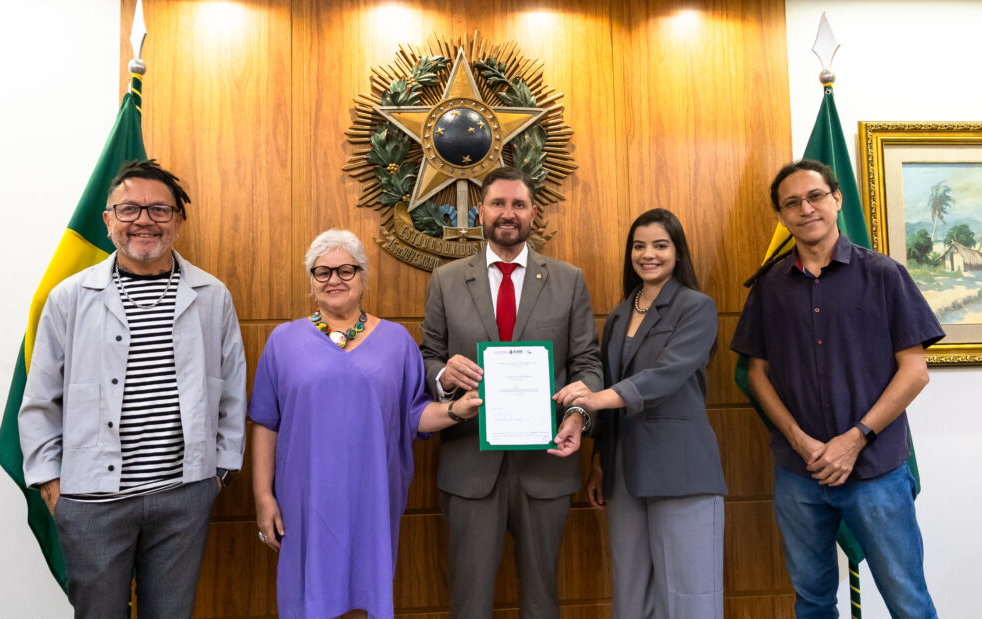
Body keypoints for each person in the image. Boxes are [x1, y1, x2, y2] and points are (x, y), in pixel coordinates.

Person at [18, 159, 246, 619]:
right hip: (91, 502)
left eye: (160, 209)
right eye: (128, 209)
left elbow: (232, 391)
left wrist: (217, 473)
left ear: (177, 220)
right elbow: (39, 399)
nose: (144, 220)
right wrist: (52, 486)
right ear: (108, 221)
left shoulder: (212, 295)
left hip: (183, 495)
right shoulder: (69, 298)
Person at [730, 159, 944, 618]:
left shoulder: (884, 275)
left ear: (836, 199)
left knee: (908, 602)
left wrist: (854, 439)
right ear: (782, 216)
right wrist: (799, 439)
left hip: (877, 472)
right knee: (811, 603)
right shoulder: (768, 287)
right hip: (798, 472)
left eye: (815, 196)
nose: (806, 208)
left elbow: (915, 371)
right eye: (792, 203)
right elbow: (755, 374)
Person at [249, 229, 483, 619]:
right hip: (305, 498)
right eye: (322, 272)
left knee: (364, 596)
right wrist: (262, 497)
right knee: (310, 598)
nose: (334, 279)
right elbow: (265, 423)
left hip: (372, 494)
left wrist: (458, 411)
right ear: (311, 280)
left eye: (346, 270)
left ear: (363, 277)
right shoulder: (282, 341)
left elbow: (414, 414)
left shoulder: (397, 340)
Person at [419, 166, 603, 619]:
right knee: (470, 599)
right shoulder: (445, 280)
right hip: (470, 463)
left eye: (518, 204)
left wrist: (578, 414)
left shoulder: (568, 279)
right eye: (498, 203)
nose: (508, 213)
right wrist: (446, 377)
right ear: (480, 211)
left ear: (533, 213)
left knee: (543, 599)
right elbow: (427, 358)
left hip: (547, 463)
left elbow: (587, 364)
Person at [553, 208, 726, 619]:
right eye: (639, 246)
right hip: (624, 473)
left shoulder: (696, 306)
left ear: (678, 252)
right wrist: (598, 464)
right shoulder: (618, 313)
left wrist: (595, 398)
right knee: (631, 599)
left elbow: (667, 375)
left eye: (660, 245)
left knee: (690, 597)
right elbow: (612, 385)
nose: (648, 254)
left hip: (680, 471)